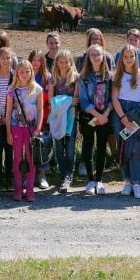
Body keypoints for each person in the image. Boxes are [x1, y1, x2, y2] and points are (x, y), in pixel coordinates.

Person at [111, 44, 140, 199]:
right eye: (125, 56)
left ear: (136, 57)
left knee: (134, 149)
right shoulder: (117, 75)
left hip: (136, 112)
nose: (128, 59)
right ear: (122, 58)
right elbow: (114, 98)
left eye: (131, 56)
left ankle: (136, 182)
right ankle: (126, 180)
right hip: (120, 112)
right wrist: (123, 117)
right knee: (122, 148)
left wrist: (132, 116)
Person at [5, 60, 44, 202]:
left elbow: (40, 110)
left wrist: (38, 128)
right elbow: (9, 112)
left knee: (31, 159)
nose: (25, 74)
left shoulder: (37, 89)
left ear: (31, 72)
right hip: (16, 128)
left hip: (31, 128)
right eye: (21, 71)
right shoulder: (12, 90)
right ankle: (18, 189)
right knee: (17, 158)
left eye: (27, 71)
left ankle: (30, 190)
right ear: (17, 73)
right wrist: (8, 132)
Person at [78, 44, 113, 195]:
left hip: (105, 117)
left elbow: (112, 98)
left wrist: (105, 114)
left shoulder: (110, 77)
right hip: (89, 117)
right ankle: (90, 181)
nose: (96, 57)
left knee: (101, 146)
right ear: (88, 58)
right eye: (92, 55)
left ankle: (99, 180)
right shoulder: (83, 78)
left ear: (103, 56)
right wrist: (97, 115)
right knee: (88, 146)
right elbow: (84, 101)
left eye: (98, 54)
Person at [48, 50, 79, 193]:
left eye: (67, 62)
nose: (64, 64)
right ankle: (62, 174)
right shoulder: (53, 79)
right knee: (59, 147)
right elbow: (50, 100)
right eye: (61, 62)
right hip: (57, 118)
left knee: (71, 148)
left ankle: (69, 175)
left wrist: (62, 102)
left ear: (71, 63)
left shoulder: (75, 79)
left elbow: (76, 101)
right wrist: (67, 101)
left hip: (71, 118)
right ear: (57, 63)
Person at [29, 49, 52, 189]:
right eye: (34, 59)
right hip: (28, 116)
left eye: (39, 60)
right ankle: (28, 175)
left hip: (43, 115)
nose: (36, 63)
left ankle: (42, 175)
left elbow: (49, 97)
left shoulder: (47, 77)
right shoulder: (25, 74)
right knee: (28, 146)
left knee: (43, 146)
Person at [0, 48, 15, 191]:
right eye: (3, 58)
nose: (6, 61)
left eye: (8, 58)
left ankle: (10, 178)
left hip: (11, 120)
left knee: (10, 150)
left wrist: (8, 117)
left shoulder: (15, 76)